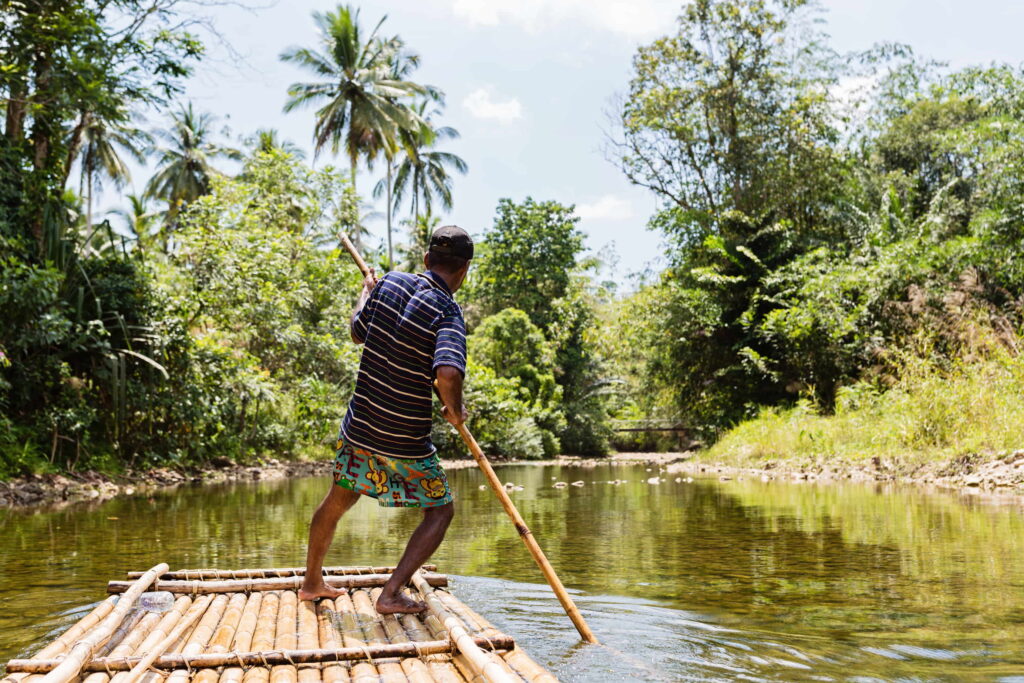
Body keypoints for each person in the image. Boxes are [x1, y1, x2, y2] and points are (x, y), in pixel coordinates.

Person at [298, 225, 473, 615]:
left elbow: (357, 330)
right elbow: (447, 374)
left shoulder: (389, 284)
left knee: (339, 498)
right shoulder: (448, 312)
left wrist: (365, 294)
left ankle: (311, 583)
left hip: (360, 427)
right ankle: (391, 592)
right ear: (464, 271)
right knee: (441, 510)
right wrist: (456, 409)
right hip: (403, 439)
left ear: (427, 260)